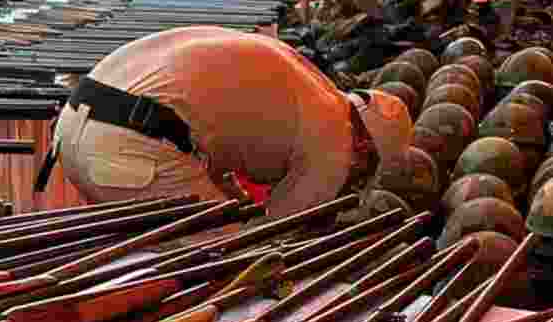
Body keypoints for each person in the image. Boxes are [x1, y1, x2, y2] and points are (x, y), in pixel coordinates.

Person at [38, 26, 414, 224]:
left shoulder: (312, 85)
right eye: (367, 168)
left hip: (73, 129)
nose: (357, 174)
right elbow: (280, 230)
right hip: (129, 147)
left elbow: (209, 141)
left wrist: (235, 201)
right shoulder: (337, 137)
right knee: (226, 252)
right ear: (367, 146)